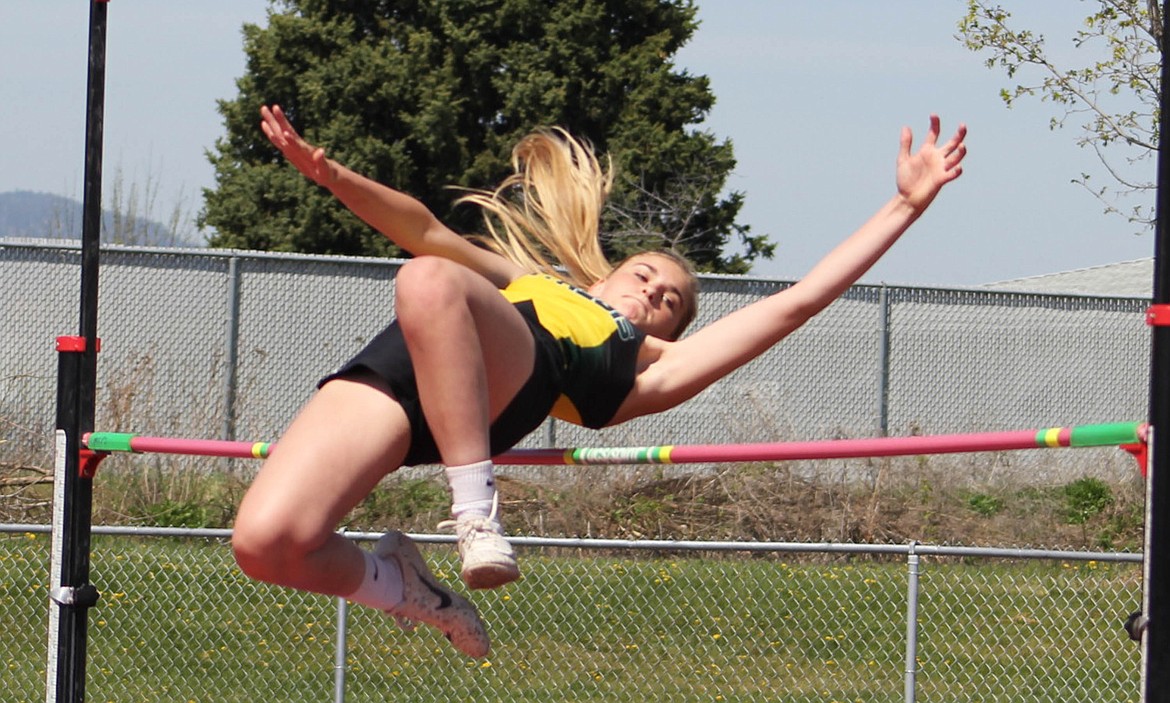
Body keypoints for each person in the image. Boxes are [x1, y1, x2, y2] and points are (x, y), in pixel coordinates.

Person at [231, 105, 967, 659]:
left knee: (428, 282)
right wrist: (330, 176)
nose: (652, 292)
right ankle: (408, 587)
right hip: (400, 377)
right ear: (607, 272)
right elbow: (423, 228)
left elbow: (793, 304)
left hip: (495, 383)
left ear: (670, 332)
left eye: (668, 302)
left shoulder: (644, 364)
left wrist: (904, 205)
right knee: (266, 544)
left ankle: (476, 514)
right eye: (644, 274)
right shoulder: (541, 283)